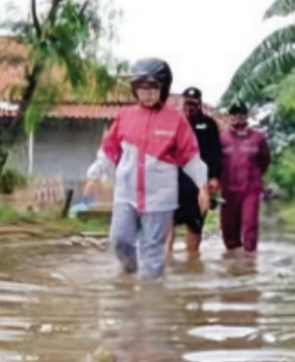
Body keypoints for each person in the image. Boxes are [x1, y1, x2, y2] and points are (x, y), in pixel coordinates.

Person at [84, 58, 210, 279]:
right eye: (141, 88)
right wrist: (94, 175)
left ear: (164, 88)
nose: (147, 93)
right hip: (126, 192)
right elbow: (109, 149)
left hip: (160, 197)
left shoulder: (176, 121)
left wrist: (203, 186)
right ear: (134, 90)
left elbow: (190, 156)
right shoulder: (125, 117)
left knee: (152, 252)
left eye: (152, 88)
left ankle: (150, 301)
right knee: (120, 240)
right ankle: (128, 274)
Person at [167, 87, 222, 254]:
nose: (190, 107)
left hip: (199, 183)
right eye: (187, 103)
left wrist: (214, 177)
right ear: (182, 102)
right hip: (173, 181)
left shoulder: (209, 124)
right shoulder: (171, 122)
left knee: (195, 225)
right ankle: (167, 262)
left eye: (194, 103)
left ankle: (192, 263)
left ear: (200, 103)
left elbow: (216, 152)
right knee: (168, 222)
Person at [219, 101, 270, 253]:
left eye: (241, 116)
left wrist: (255, 177)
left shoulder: (258, 138)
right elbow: (215, 162)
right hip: (228, 190)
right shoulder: (222, 138)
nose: (237, 119)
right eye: (234, 116)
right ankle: (232, 263)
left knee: (250, 225)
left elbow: (265, 160)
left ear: (247, 117)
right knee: (229, 229)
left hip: (250, 189)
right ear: (228, 117)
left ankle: (249, 263)